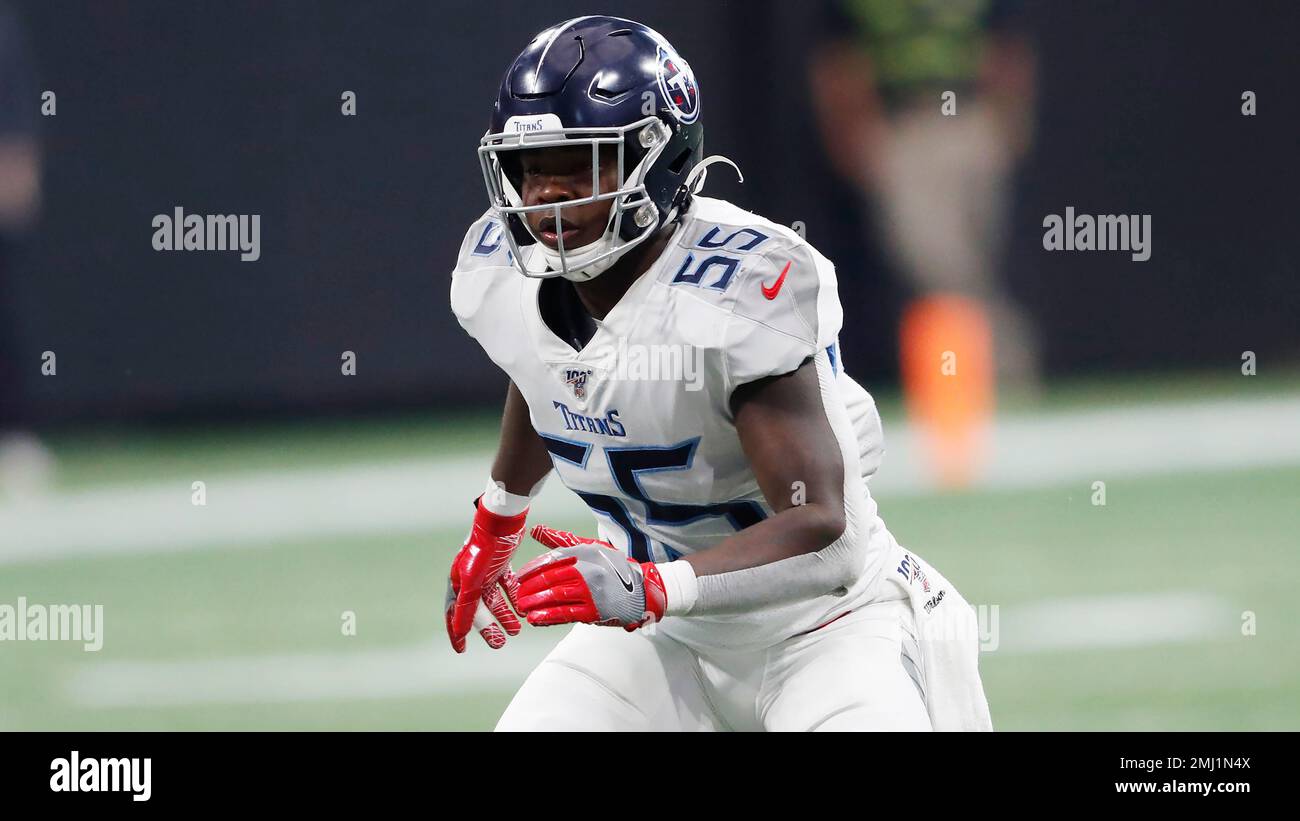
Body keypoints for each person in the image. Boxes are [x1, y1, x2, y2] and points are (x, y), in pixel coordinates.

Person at [445, 16, 990, 731]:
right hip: (664, 634)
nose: (547, 194)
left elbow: (826, 530)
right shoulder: (502, 273)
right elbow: (547, 366)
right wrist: (498, 519)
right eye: (532, 165)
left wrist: (649, 585)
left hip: (824, 627)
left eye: (580, 164)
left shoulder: (739, 288)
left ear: (660, 158)